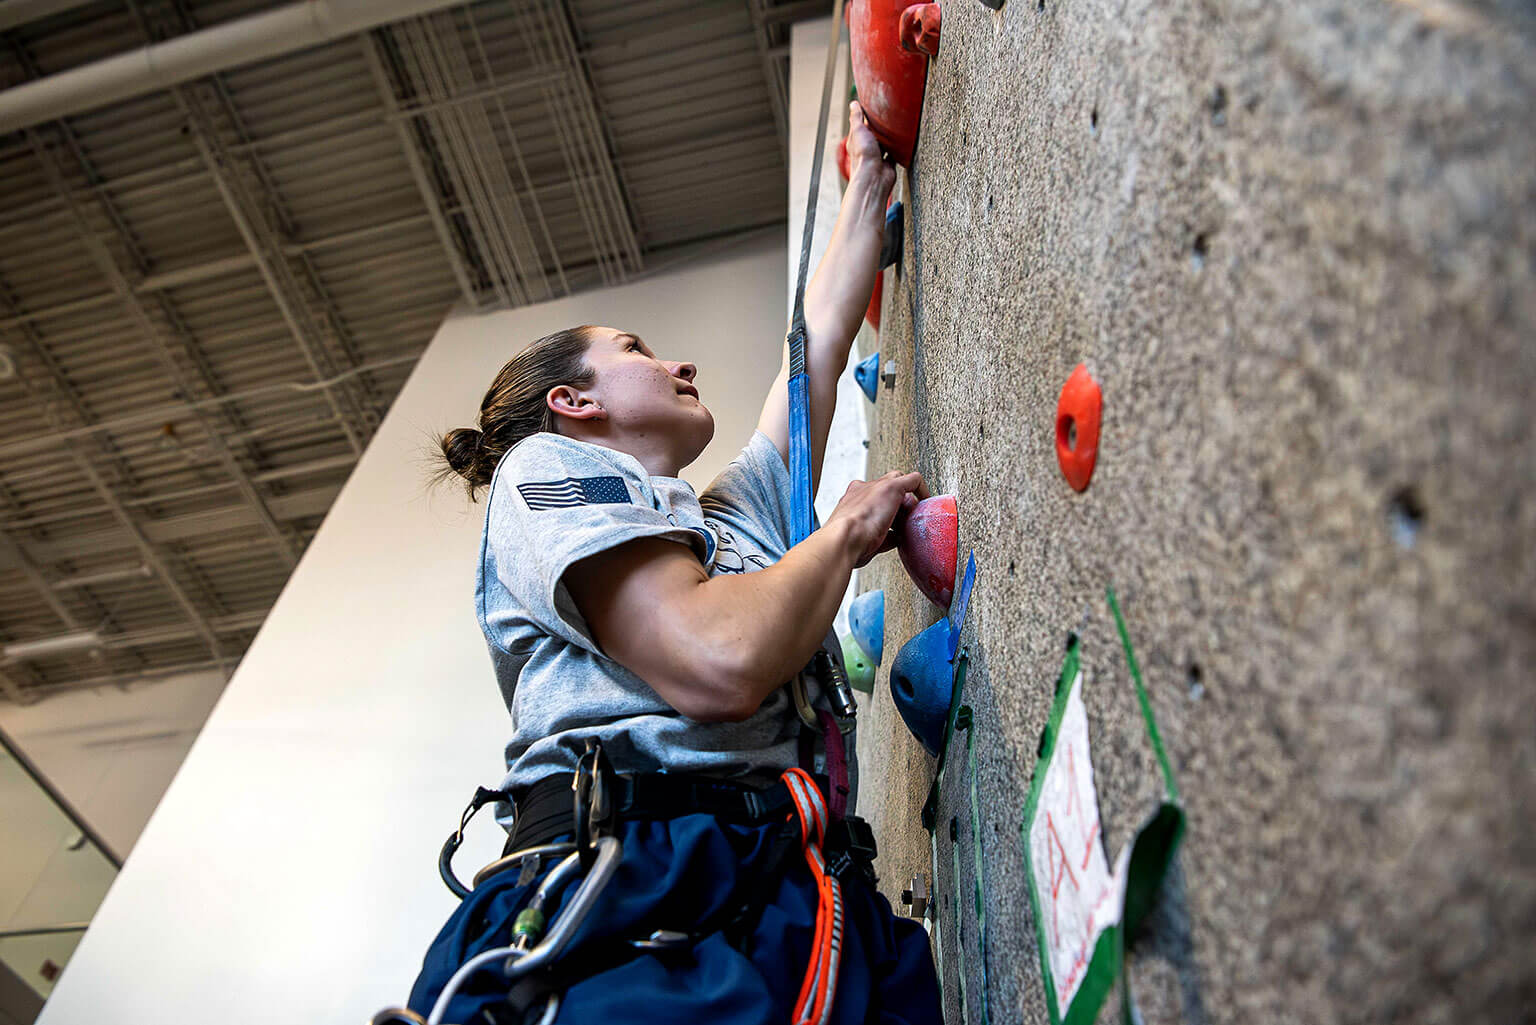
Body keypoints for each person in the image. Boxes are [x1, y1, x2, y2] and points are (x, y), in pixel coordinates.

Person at [406, 103, 941, 1025]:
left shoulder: (728, 524)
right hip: (634, 886)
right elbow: (714, 659)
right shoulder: (543, 471)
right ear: (572, 402)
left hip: (786, 879)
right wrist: (843, 534)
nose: (679, 363)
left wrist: (867, 180)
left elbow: (807, 364)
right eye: (637, 351)